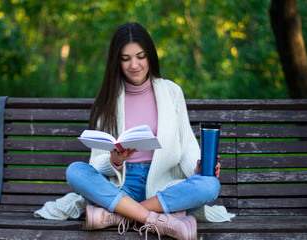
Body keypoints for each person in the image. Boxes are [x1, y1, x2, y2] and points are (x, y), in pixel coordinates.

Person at [66, 22, 221, 240]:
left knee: (210, 185)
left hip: (163, 188)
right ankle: (155, 220)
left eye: (140, 56)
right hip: (120, 187)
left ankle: (122, 216)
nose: (134, 65)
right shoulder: (107, 101)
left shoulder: (171, 92)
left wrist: (198, 169)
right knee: (75, 171)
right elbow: (95, 164)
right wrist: (115, 162)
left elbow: (186, 143)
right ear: (116, 62)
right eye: (125, 58)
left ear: (150, 56)